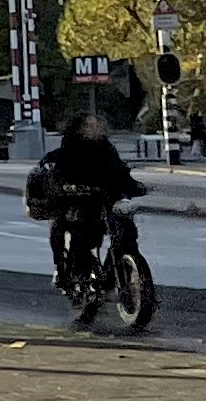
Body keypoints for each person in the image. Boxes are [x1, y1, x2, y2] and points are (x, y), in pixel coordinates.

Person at [43, 113, 140, 290]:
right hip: (78, 203)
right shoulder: (69, 149)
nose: (96, 128)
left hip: (104, 201)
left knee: (125, 230)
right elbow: (58, 175)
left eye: (97, 125)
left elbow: (118, 170)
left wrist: (134, 187)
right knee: (69, 229)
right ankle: (65, 270)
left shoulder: (107, 149)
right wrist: (70, 188)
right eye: (90, 125)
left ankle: (124, 267)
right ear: (79, 129)